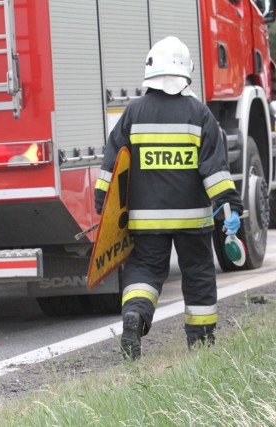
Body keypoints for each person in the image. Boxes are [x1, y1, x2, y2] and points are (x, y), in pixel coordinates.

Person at [94, 36, 243, 360]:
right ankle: (201, 342)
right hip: (193, 219)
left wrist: (102, 204)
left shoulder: (133, 112)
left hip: (146, 220)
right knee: (198, 274)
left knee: (145, 271)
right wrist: (230, 206)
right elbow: (214, 170)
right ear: (185, 72)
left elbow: (112, 165)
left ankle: (135, 314)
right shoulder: (199, 114)